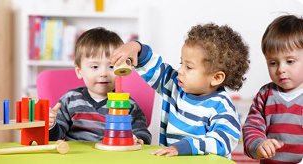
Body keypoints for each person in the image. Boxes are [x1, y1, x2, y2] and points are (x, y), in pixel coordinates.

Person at [111, 23, 250, 158]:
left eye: (189, 67)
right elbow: (154, 69)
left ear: (216, 77)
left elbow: (223, 141)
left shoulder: (222, 107)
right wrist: (137, 48)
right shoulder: (175, 86)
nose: (180, 71)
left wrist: (185, 147)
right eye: (181, 63)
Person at [48, 27, 151, 145]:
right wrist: (52, 125)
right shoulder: (70, 100)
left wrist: (137, 139)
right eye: (95, 67)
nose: (103, 74)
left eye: (111, 67)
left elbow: (143, 133)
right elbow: (55, 138)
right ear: (79, 71)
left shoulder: (127, 104)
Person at [242, 15, 303, 163]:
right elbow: (252, 127)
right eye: (273, 63)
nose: (281, 69)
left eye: (290, 61)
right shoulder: (265, 95)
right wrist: (258, 145)